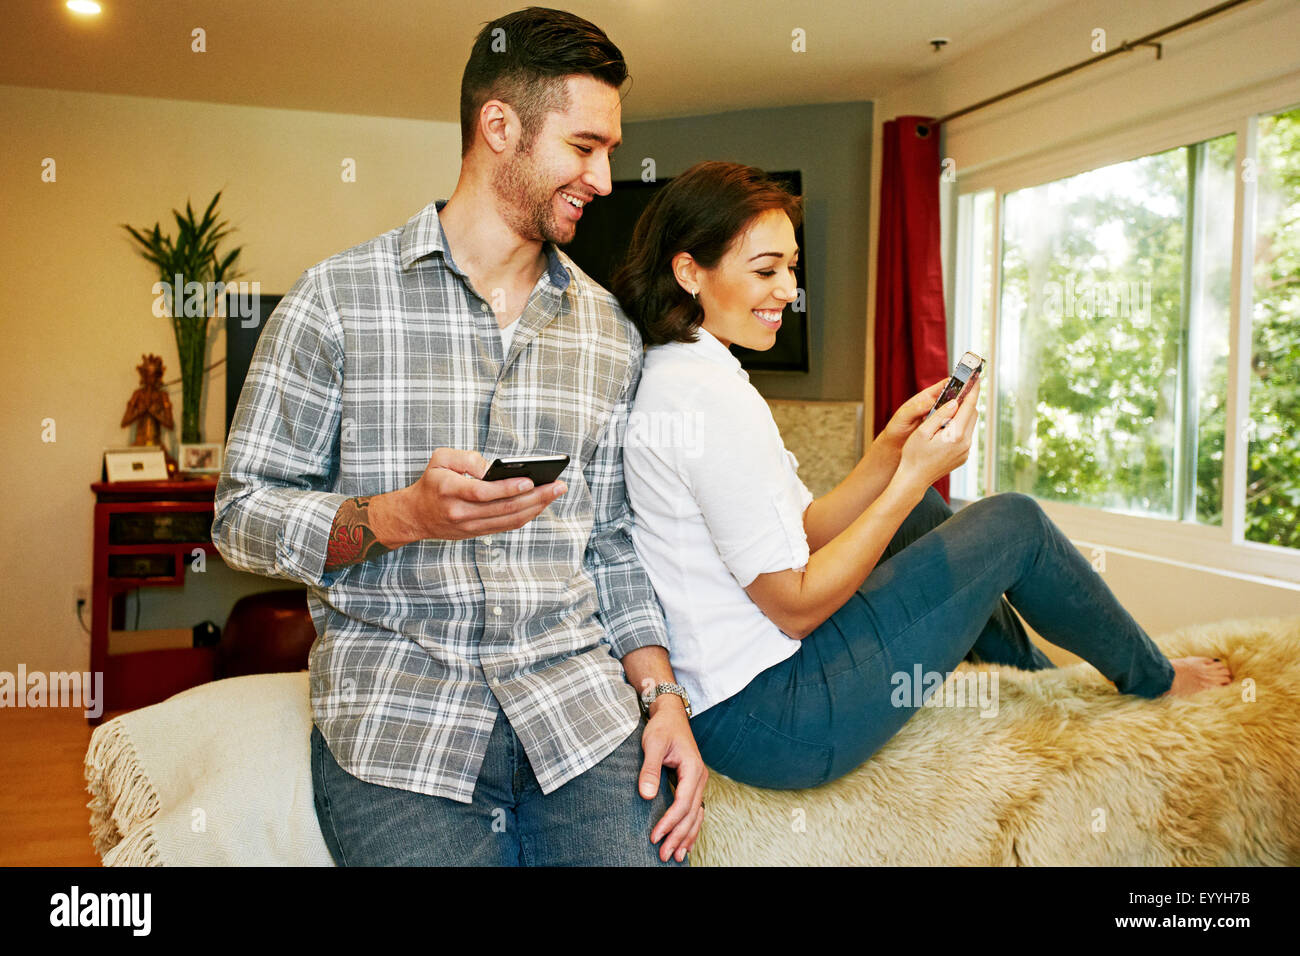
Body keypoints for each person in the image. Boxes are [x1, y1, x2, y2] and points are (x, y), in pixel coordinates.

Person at [212, 7, 707, 865]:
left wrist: (664, 698)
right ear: (499, 126)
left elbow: (614, 545)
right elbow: (239, 517)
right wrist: (401, 516)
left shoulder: (607, 332)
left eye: (611, 151)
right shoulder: (336, 301)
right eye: (585, 147)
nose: (604, 176)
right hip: (402, 719)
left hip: (578, 716)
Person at [612, 160, 1232, 791]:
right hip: (776, 718)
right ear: (690, 271)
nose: (787, 290)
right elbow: (794, 608)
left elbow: (806, 530)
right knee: (1014, 523)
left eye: (791, 267)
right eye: (765, 270)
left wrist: (887, 454)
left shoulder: (696, 373)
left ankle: (1036, 680)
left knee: (918, 513)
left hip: (758, 694)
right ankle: (1155, 680)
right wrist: (914, 474)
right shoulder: (704, 399)